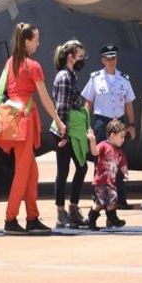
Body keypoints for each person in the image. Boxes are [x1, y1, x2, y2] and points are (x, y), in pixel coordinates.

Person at [2, 22, 66, 235]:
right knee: (23, 172)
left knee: (31, 171)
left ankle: (32, 217)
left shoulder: (10, 62)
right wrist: (57, 119)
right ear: (27, 41)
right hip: (25, 120)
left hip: (13, 119)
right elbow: (45, 97)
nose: (38, 44)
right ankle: (10, 218)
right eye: (36, 40)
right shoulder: (33, 66)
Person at [81, 43, 137, 208]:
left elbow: (128, 104)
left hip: (118, 122)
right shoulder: (95, 78)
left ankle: (120, 199)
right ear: (103, 60)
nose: (111, 61)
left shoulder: (123, 79)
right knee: (100, 159)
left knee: (118, 159)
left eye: (113, 58)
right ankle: (98, 197)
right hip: (101, 122)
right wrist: (86, 125)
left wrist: (132, 124)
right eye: (108, 58)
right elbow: (88, 103)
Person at [52, 39, 90, 229]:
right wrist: (63, 134)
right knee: (64, 171)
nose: (82, 60)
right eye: (80, 57)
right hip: (64, 130)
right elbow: (62, 107)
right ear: (70, 57)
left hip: (69, 129)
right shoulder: (65, 77)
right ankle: (61, 213)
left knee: (80, 168)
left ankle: (72, 209)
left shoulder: (70, 75)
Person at [87, 120, 129, 230]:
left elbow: (122, 163)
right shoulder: (103, 145)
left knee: (106, 202)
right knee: (106, 201)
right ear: (112, 135)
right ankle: (108, 219)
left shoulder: (119, 151)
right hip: (101, 181)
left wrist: (125, 172)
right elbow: (95, 152)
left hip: (110, 182)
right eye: (121, 137)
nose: (123, 140)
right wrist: (92, 140)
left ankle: (102, 218)